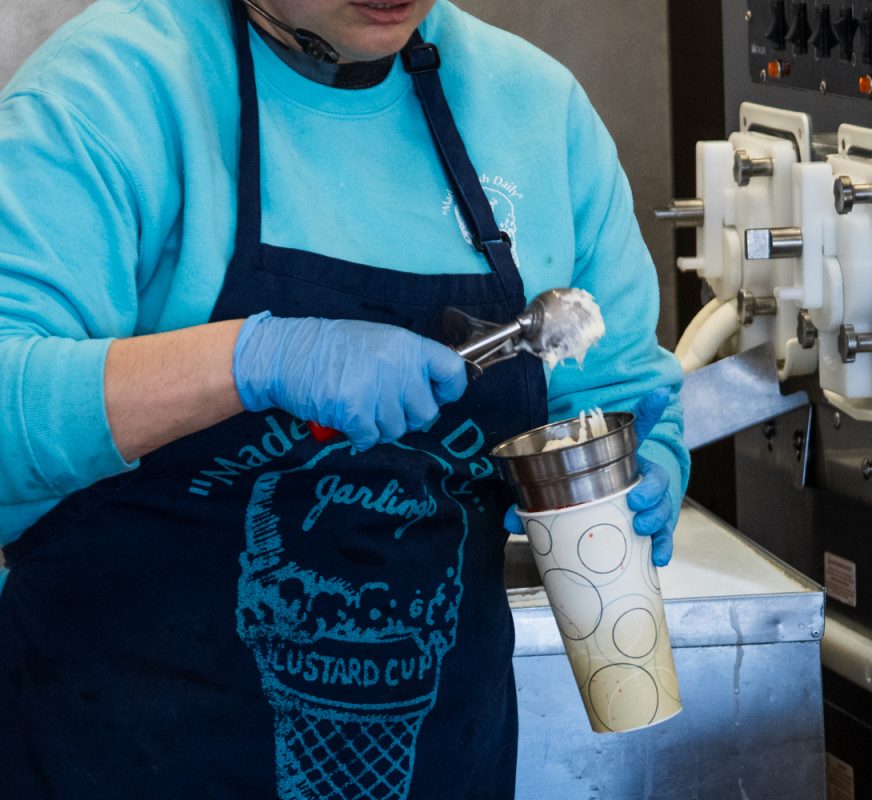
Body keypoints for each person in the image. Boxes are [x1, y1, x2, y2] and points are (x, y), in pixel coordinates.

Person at [0, 0, 689, 797]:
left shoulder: (534, 109)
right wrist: (253, 359)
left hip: (444, 759)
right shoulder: (114, 92)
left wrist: (644, 464)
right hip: (119, 751)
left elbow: (616, 385)